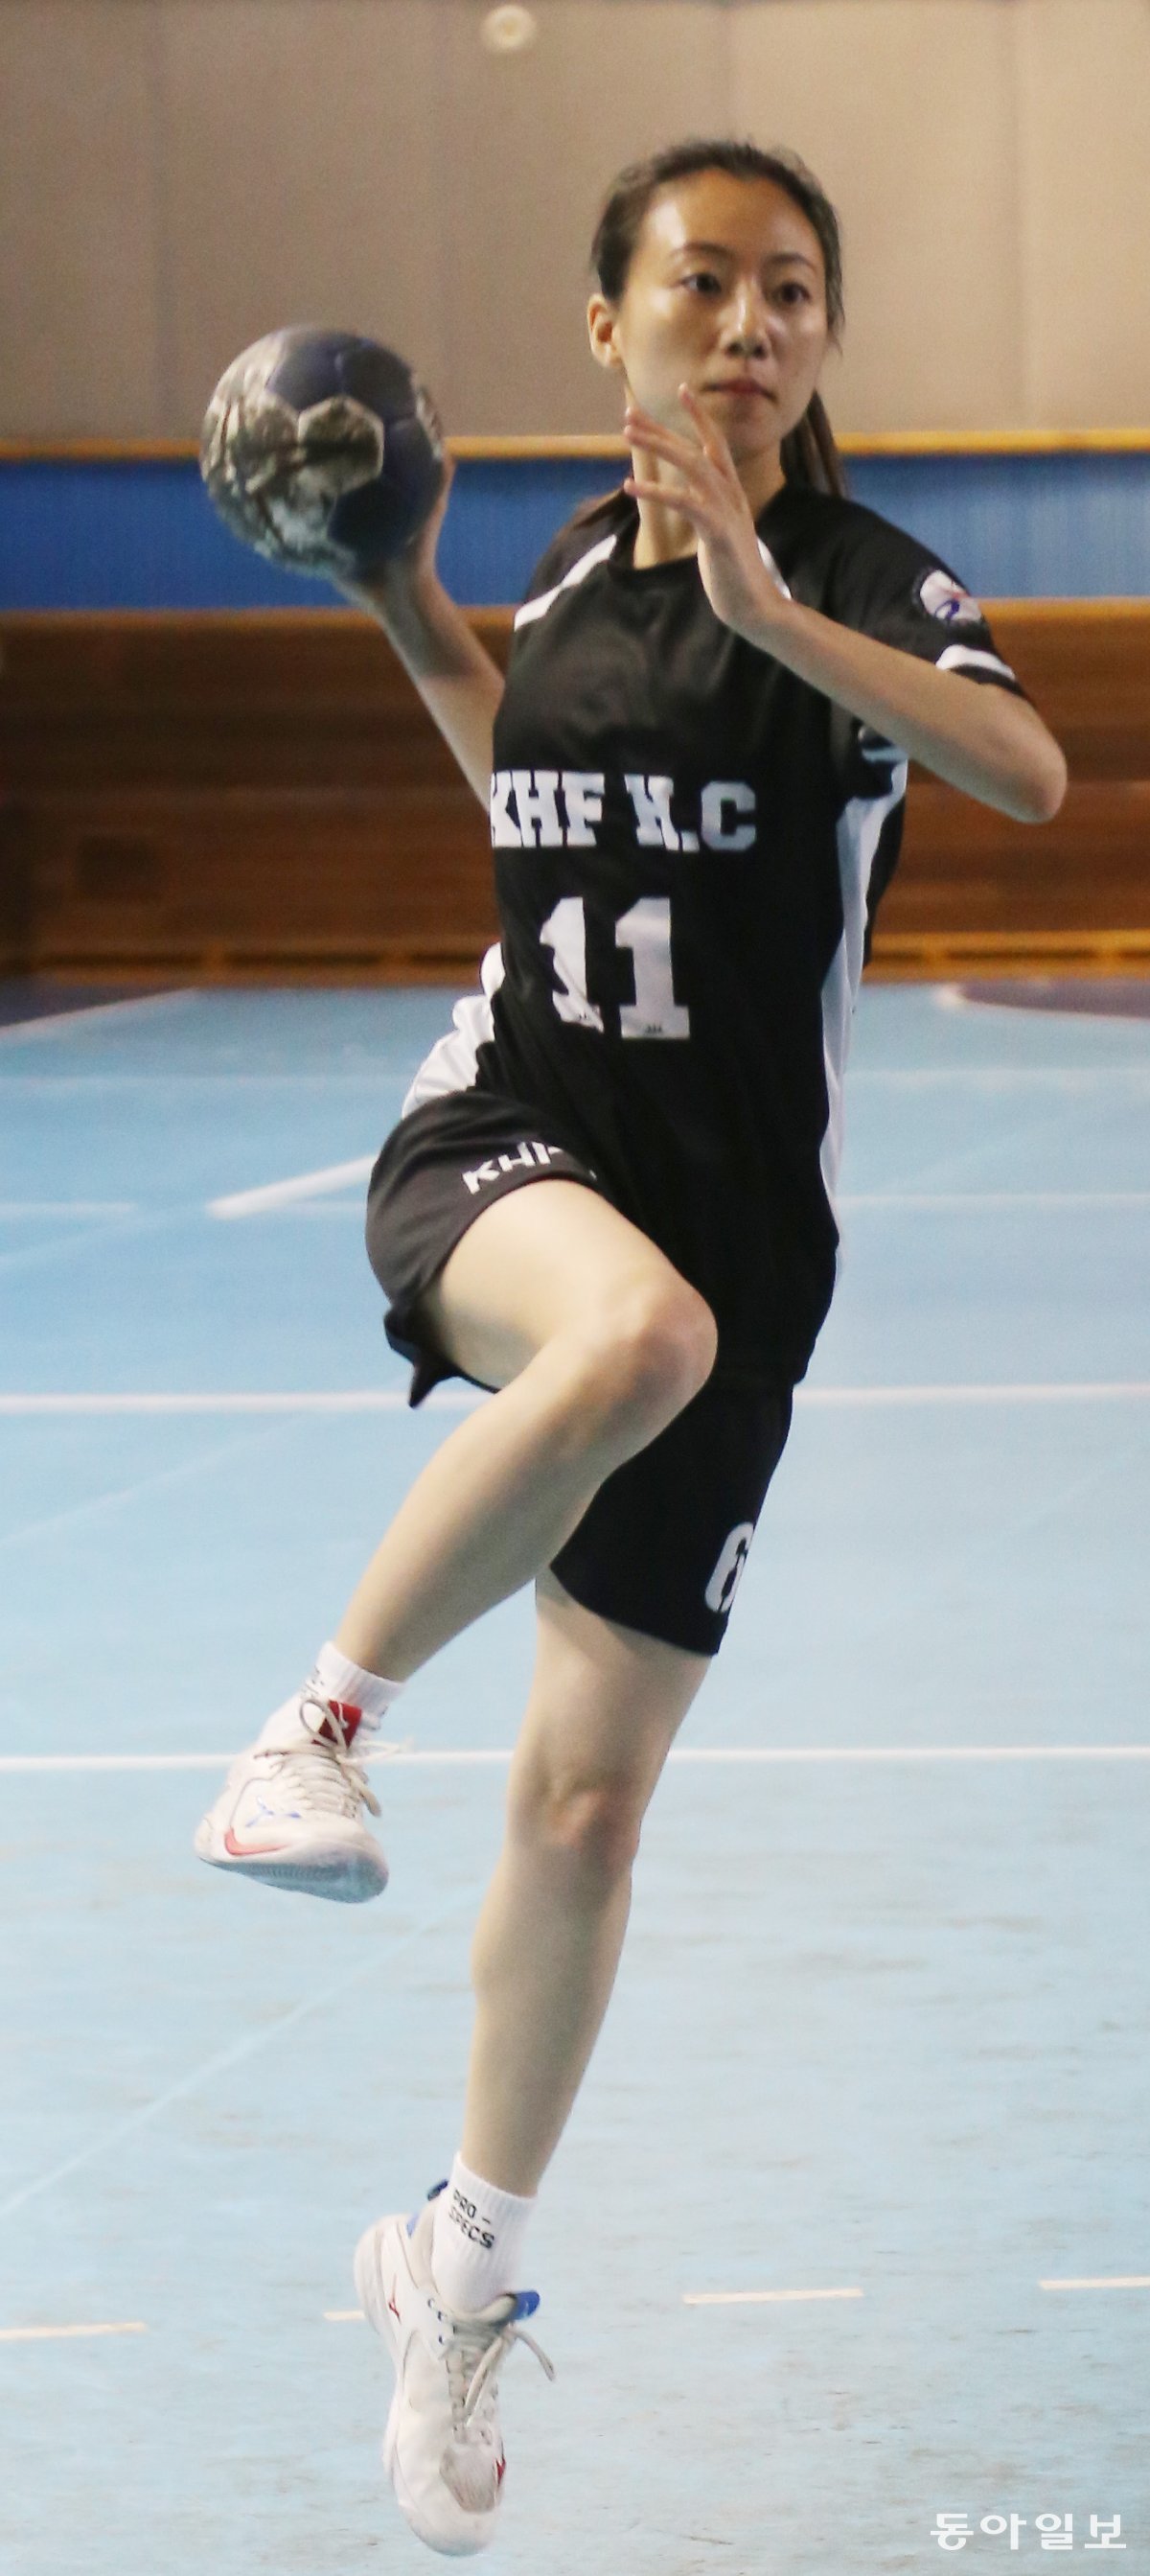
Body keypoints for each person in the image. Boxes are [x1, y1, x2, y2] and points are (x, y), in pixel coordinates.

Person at [195, 137, 1067, 2557]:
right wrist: (400, 594)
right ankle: (314, 1724)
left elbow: (1032, 769)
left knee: (588, 1806)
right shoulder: (573, 562)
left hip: (730, 1256)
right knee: (633, 1330)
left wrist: (777, 609)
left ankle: (456, 2268)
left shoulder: (874, 590)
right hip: (508, 1136)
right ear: (611, 328)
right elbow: (535, 807)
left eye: (796, 292)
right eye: (704, 285)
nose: (753, 325)